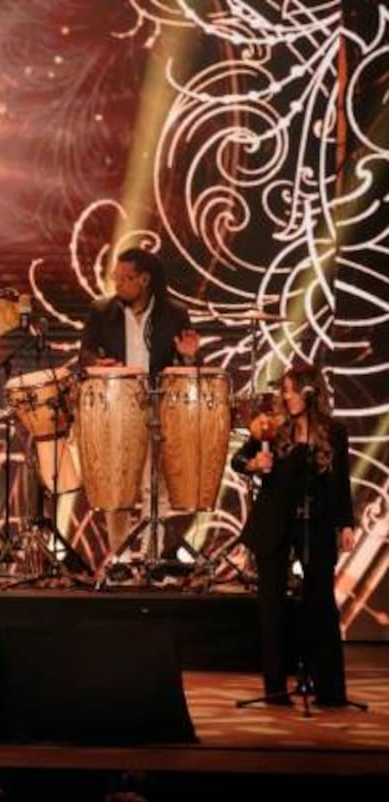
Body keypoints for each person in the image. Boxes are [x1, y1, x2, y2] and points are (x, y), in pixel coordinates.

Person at [231, 365, 357, 705]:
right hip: (274, 523)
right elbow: (238, 460)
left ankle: (330, 691)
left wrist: (346, 524)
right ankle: (275, 690)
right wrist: (255, 465)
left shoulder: (334, 432)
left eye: (291, 390)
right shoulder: (273, 429)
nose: (286, 396)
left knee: (321, 603)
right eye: (284, 390)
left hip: (315, 524)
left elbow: (340, 482)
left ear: (309, 391)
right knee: (272, 607)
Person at [78, 248, 200, 564]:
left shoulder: (174, 314)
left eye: (124, 278)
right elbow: (85, 354)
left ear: (144, 280)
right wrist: (95, 363)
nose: (117, 283)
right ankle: (119, 558)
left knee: (154, 487)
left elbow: (185, 368)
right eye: (115, 277)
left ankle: (150, 557)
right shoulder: (101, 311)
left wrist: (189, 357)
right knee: (117, 487)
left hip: (157, 407)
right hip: (115, 407)